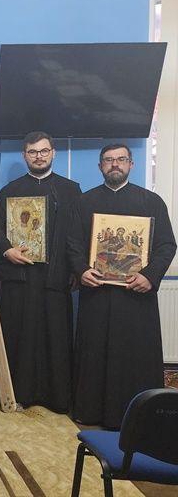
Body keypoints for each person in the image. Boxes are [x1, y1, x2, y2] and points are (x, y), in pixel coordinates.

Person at [67, 143, 176, 428]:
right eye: (108, 160)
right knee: (95, 353)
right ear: (100, 166)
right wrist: (82, 270)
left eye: (121, 159)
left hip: (136, 296)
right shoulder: (85, 202)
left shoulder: (152, 202)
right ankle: (91, 411)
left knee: (134, 356)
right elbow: (73, 244)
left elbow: (166, 245)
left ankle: (139, 415)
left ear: (131, 164)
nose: (115, 164)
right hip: (97, 295)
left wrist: (149, 276)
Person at [0, 131, 81, 412]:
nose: (39, 156)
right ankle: (20, 393)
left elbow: (78, 234)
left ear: (53, 153)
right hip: (20, 277)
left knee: (56, 336)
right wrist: (6, 250)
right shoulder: (9, 191)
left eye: (44, 151)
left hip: (56, 277)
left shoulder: (71, 190)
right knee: (21, 335)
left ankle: (58, 398)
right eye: (33, 152)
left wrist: (77, 269)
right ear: (25, 156)